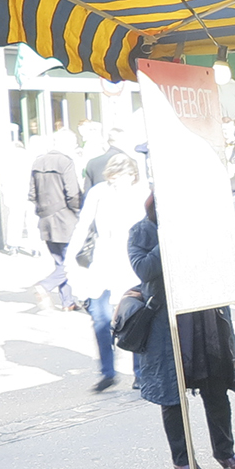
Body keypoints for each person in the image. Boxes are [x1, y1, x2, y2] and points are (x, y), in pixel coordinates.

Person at [127, 195, 235, 469]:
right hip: (166, 325)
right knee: (173, 395)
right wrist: (168, 236)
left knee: (215, 388)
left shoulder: (201, 226)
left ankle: (225, 451)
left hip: (204, 319)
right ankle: (182, 460)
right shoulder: (142, 230)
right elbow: (144, 269)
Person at [64, 154, 147, 392]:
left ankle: (139, 372)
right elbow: (83, 224)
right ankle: (108, 371)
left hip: (131, 262)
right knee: (100, 316)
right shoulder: (99, 192)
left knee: (134, 317)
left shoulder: (141, 193)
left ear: (133, 175)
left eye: (125, 175)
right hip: (103, 261)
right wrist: (71, 254)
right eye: (115, 176)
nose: (120, 181)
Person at [28, 131, 83, 311]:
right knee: (70, 261)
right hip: (65, 219)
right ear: (67, 144)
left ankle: (67, 302)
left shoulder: (38, 161)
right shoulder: (65, 162)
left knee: (60, 261)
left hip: (46, 220)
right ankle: (45, 285)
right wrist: (79, 211)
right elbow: (73, 193)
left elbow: (32, 194)